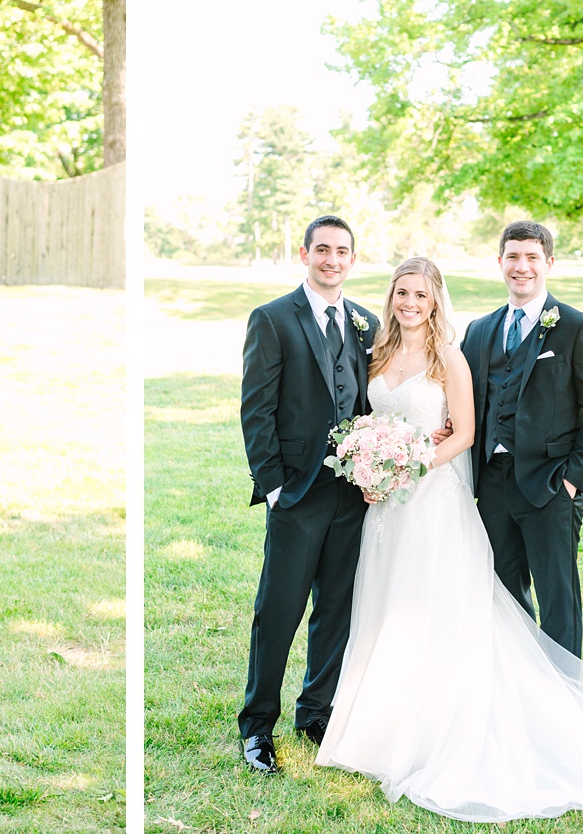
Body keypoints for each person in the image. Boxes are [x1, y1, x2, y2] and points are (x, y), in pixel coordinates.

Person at [315, 257, 583, 821]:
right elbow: (371, 420)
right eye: (402, 293)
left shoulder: (451, 354)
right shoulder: (378, 353)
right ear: (391, 296)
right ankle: (381, 726)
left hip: (432, 500)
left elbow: (465, 430)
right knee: (385, 605)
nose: (411, 303)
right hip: (386, 510)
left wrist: (408, 465)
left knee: (444, 608)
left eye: (421, 294)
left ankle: (456, 722)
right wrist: (369, 469)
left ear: (436, 297)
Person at [232, 216, 377, 774]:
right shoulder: (273, 319)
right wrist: (273, 488)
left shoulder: (365, 322)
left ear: (352, 260)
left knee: (336, 609)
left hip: (354, 493)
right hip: (296, 493)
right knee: (280, 609)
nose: (332, 259)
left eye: (342, 251)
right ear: (305, 253)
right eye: (322, 249)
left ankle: (316, 712)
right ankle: (256, 727)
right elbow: (257, 408)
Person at [461, 221, 583, 658]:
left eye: (532, 257)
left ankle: (566, 696)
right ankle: (523, 691)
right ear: (500, 263)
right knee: (505, 597)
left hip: (551, 484)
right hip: (491, 482)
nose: (521, 266)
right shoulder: (479, 330)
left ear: (548, 263)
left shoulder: (577, 327)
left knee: (557, 598)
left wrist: (572, 481)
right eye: (513, 256)